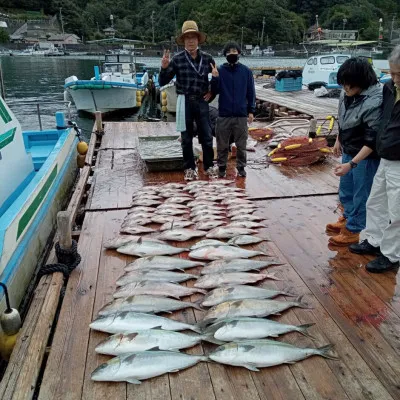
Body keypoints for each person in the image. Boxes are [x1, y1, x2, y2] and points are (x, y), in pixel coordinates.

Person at [349, 46, 400, 273]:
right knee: (375, 202)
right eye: (392, 72)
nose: (395, 78)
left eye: (399, 74)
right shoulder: (389, 88)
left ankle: (391, 255)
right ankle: (374, 240)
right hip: (385, 156)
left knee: (397, 211)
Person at [326, 57, 382, 246]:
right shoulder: (347, 92)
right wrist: (338, 140)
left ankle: (355, 229)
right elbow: (343, 117)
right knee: (346, 189)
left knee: (361, 192)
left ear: (362, 82)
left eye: (349, 86)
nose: (345, 90)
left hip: (365, 154)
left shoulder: (376, 100)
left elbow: (372, 139)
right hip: (349, 147)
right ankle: (347, 218)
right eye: (343, 85)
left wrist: (352, 163)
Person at [159, 20, 215, 181]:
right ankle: (190, 168)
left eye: (193, 37)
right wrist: (164, 67)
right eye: (187, 38)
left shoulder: (208, 58)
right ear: (183, 41)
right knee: (186, 137)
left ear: (198, 39)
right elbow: (163, 82)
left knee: (207, 135)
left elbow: (216, 79)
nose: (190, 40)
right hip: (184, 102)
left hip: (202, 102)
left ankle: (209, 166)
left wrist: (212, 92)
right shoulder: (177, 59)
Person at [211, 41, 255, 178]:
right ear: (225, 55)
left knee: (241, 145)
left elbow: (251, 92)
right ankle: (222, 167)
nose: (232, 54)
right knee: (222, 144)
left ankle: (241, 167)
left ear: (239, 54)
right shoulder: (220, 70)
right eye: (229, 52)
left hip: (241, 114)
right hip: (224, 114)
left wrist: (251, 111)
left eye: (235, 52)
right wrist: (214, 78)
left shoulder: (246, 71)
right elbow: (215, 90)